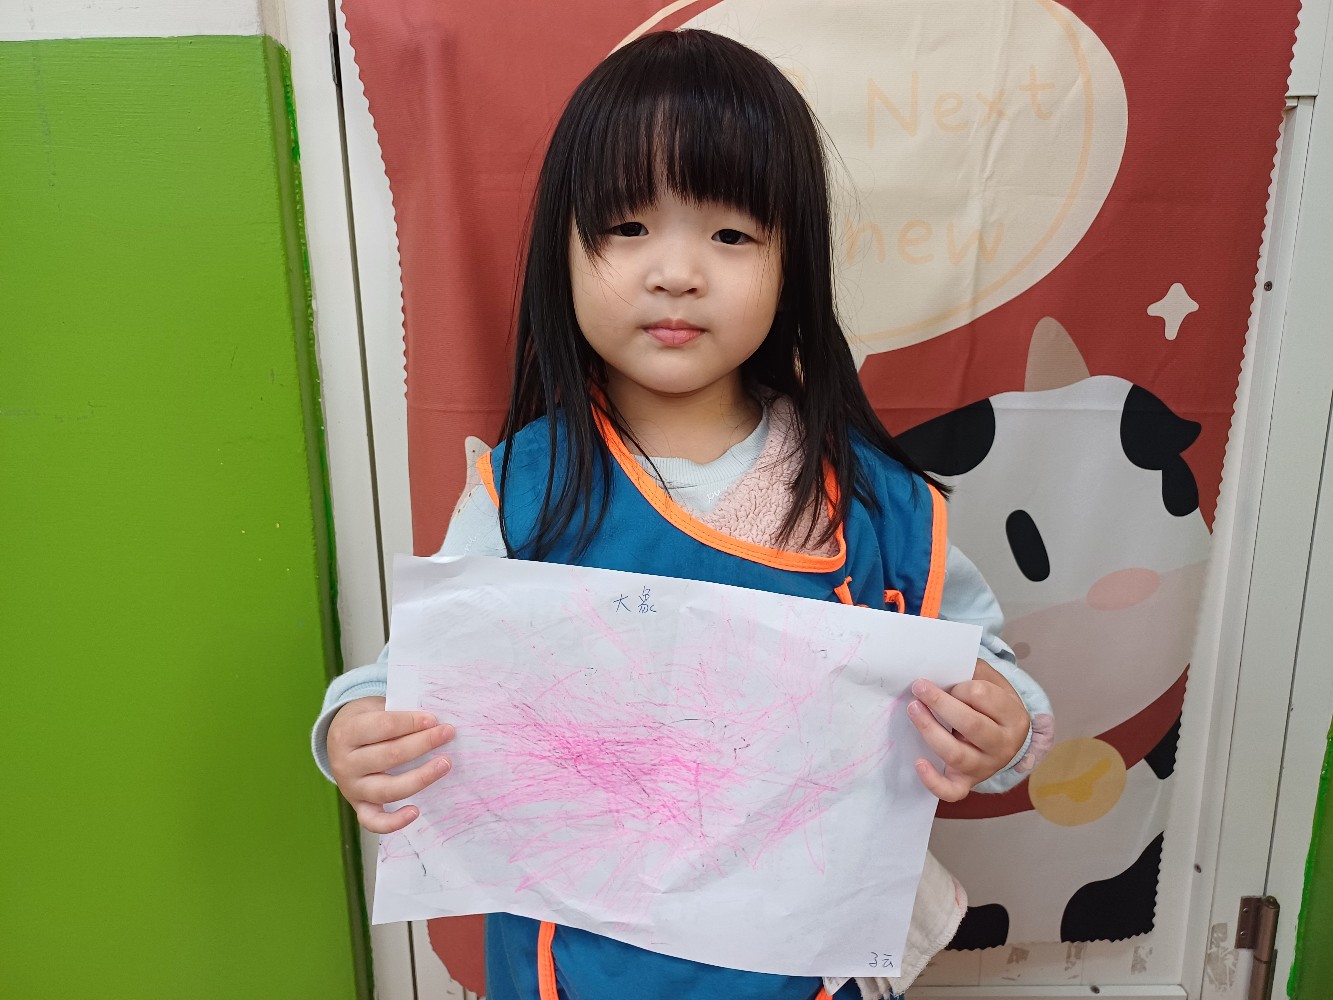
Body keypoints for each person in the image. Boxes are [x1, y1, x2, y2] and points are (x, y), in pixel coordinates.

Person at [313, 28, 1054, 1000]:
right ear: (562, 249)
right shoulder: (523, 490)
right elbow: (419, 679)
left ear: (793, 260)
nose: (675, 272)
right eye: (627, 227)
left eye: (730, 235)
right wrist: (357, 725)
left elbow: (982, 671)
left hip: (800, 962)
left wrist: (1003, 726)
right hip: (574, 963)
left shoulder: (880, 502)